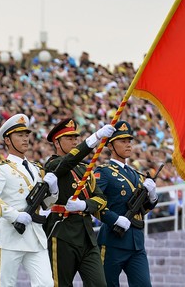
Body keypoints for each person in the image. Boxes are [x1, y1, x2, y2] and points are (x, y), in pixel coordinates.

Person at [0, 114, 58, 287]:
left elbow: (47, 203)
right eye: (19, 135)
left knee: (46, 283)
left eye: (26, 135)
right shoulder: (1, 167)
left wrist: (54, 190)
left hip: (35, 235)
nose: (25, 139)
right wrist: (14, 215)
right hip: (10, 235)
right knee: (5, 284)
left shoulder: (36, 168)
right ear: (7, 140)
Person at [43, 118, 113, 287]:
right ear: (57, 143)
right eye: (69, 138)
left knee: (99, 284)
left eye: (76, 138)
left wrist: (85, 205)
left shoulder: (84, 169)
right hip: (62, 233)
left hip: (87, 235)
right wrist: (94, 138)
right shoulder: (53, 165)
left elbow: (101, 198)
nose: (74, 141)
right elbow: (67, 163)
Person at [95, 121, 159, 287]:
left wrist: (152, 197)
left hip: (136, 243)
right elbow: (94, 203)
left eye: (129, 141)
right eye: (122, 141)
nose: (128, 144)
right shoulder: (104, 172)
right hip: (112, 241)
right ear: (111, 145)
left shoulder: (136, 174)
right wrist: (114, 219)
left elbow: (142, 208)